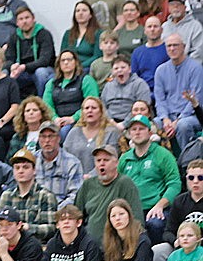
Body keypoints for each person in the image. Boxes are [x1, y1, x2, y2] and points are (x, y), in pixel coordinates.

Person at [118, 115, 181, 244]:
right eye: (133, 129)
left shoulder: (163, 155)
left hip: (156, 208)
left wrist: (160, 205)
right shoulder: (124, 159)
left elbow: (174, 183)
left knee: (155, 224)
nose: (137, 132)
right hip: (131, 210)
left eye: (141, 128)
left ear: (150, 132)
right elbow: (117, 185)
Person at [75, 144, 143, 240]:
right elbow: (76, 214)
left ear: (116, 163)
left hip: (116, 244)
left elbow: (137, 218)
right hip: (90, 245)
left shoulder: (125, 183)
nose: (101, 164)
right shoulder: (88, 184)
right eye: (98, 160)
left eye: (106, 160)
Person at [0, 149, 59, 243]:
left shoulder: (45, 195)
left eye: (25, 167)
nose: (21, 171)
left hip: (38, 246)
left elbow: (51, 228)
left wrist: (27, 227)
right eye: (17, 168)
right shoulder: (6, 196)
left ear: (34, 170)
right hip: (11, 246)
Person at [154, 34, 203, 148]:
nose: (172, 48)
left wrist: (178, 120)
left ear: (184, 47)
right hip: (168, 116)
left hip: (191, 116)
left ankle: (186, 161)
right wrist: (165, 119)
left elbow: (196, 99)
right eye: (169, 46)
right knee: (154, 124)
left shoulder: (195, 68)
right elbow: (160, 99)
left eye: (175, 45)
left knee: (183, 125)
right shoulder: (160, 70)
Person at [43, 51, 99, 137]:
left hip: (78, 121)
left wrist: (73, 118)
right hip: (56, 121)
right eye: (63, 60)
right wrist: (55, 119)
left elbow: (93, 103)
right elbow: (46, 105)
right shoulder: (51, 83)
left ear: (76, 62)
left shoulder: (86, 80)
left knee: (64, 131)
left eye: (69, 59)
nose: (66, 62)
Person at [6, 7, 56, 98]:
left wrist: (24, 67)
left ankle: (42, 103)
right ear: (17, 23)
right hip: (22, 71)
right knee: (5, 74)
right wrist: (12, 66)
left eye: (27, 18)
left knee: (40, 73)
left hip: (44, 69)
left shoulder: (44, 34)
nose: (24, 21)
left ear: (33, 19)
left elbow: (44, 60)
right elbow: (9, 59)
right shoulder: (14, 37)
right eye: (21, 19)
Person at [62, 97, 120, 173]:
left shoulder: (111, 132)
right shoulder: (74, 132)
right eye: (87, 108)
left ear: (101, 112)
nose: (90, 110)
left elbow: (112, 159)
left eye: (94, 108)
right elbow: (64, 158)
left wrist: (90, 176)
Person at [100, 55, 152, 124]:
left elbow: (144, 108)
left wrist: (124, 124)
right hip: (110, 123)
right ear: (112, 71)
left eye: (123, 67)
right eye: (116, 68)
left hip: (133, 122)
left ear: (130, 69)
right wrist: (111, 121)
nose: (119, 70)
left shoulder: (140, 84)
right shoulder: (108, 86)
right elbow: (102, 106)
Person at [130, 16, 169, 94]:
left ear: (161, 30)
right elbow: (134, 77)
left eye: (155, 26)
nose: (152, 29)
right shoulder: (137, 52)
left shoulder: (168, 49)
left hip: (165, 91)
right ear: (145, 31)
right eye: (149, 27)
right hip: (143, 92)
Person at [161, 0, 203, 64]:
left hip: (189, 68)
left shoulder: (195, 26)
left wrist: (185, 67)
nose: (175, 7)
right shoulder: (164, 27)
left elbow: (198, 52)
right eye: (172, 4)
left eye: (178, 4)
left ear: (185, 7)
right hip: (166, 68)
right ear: (168, 8)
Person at [61, 1, 103, 71]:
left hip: (86, 68)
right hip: (68, 68)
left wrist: (78, 66)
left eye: (84, 10)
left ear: (90, 15)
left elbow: (97, 56)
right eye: (77, 11)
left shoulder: (98, 33)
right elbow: (62, 54)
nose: (80, 13)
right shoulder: (68, 33)